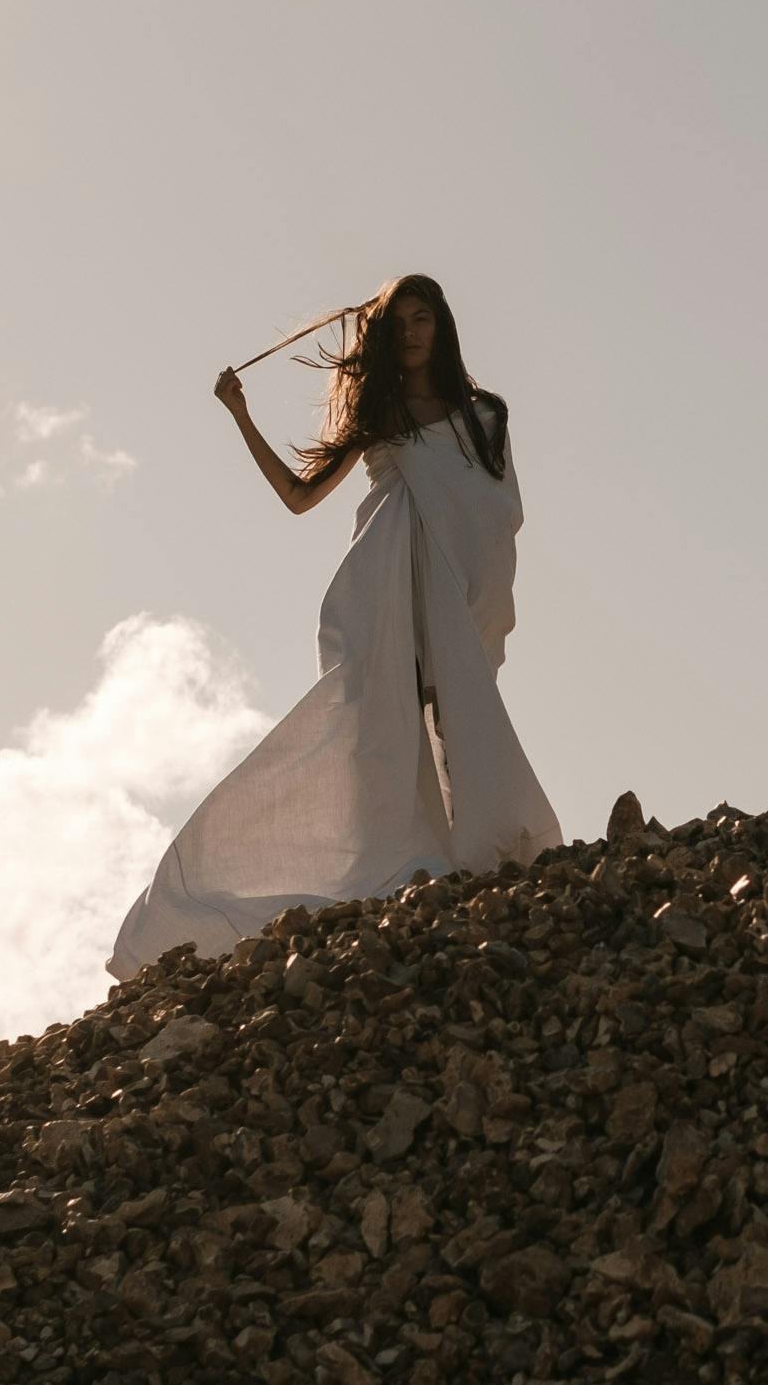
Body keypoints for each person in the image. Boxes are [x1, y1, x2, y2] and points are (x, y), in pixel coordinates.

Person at [105, 273, 564, 983]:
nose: (412, 332)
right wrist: (239, 414)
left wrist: (473, 587)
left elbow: (497, 510)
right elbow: (297, 497)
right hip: (382, 588)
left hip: (456, 589)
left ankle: (472, 851)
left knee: (458, 715)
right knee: (372, 730)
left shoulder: (484, 416)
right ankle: (212, 889)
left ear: (441, 327)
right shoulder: (380, 415)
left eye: (423, 318)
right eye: (400, 322)